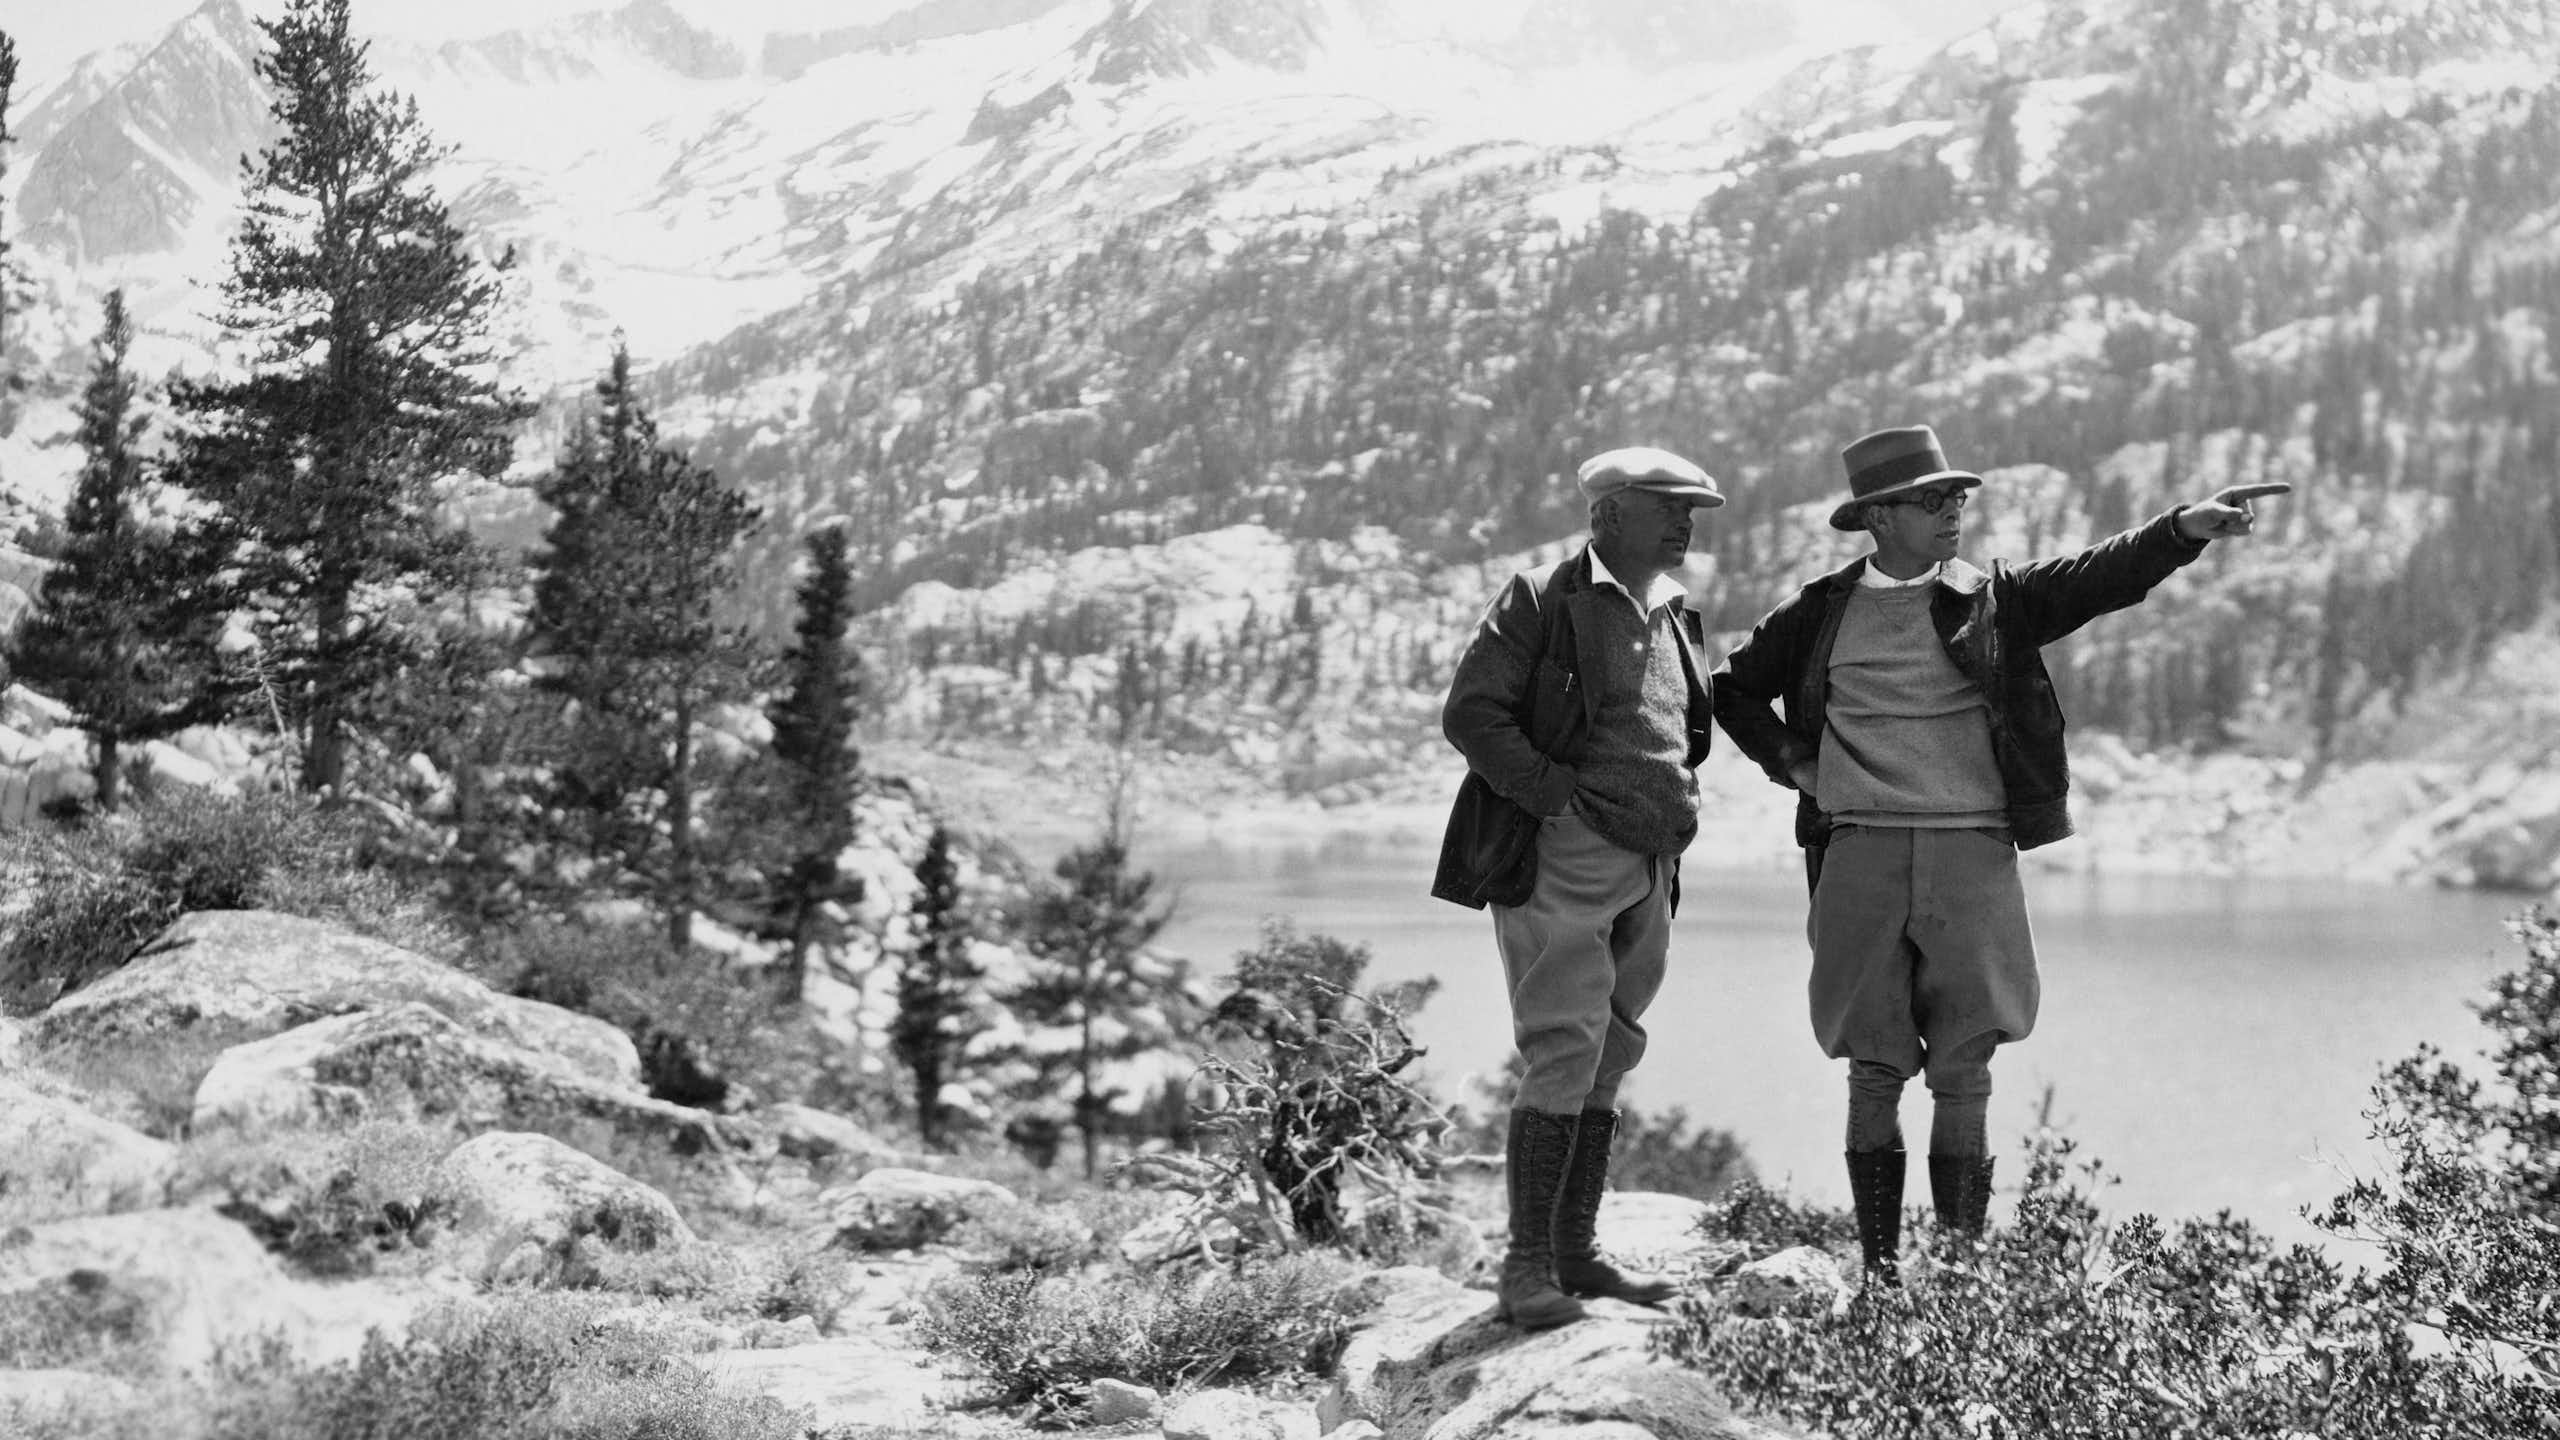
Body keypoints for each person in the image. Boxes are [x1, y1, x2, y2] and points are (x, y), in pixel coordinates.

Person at [1710, 423, 2288, 1283]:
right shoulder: (1821, 610)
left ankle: (1958, 1282)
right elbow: (1730, 688)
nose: (1953, 512)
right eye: (1932, 500)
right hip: (1859, 852)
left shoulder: (1995, 598)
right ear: (1878, 515)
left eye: (1959, 498)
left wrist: (2181, 530)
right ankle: (1879, 1277)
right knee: (1873, 1064)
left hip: (1974, 851)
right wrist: (1795, 764)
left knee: (1965, 1063)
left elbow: (2098, 578)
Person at [1432, 445, 1723, 1329]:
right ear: (1610, 516)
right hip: (1567, 854)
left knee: (1613, 1048)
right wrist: (1556, 800)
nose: (1685, 525)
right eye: (1667, 508)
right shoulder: (1541, 599)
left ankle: (1576, 1255)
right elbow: (1471, 714)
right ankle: (1526, 1276)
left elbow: (1681, 731)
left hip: (1651, 863)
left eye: (1692, 512)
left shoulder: (1674, 613)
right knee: (1565, 1047)